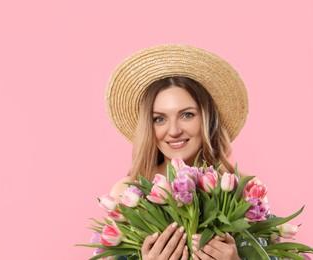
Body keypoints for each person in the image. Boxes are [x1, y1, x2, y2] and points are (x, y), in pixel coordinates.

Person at [106, 45, 254, 260]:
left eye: (187, 115)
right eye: (159, 119)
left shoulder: (245, 191)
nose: (174, 131)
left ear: (207, 118)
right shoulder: (127, 193)